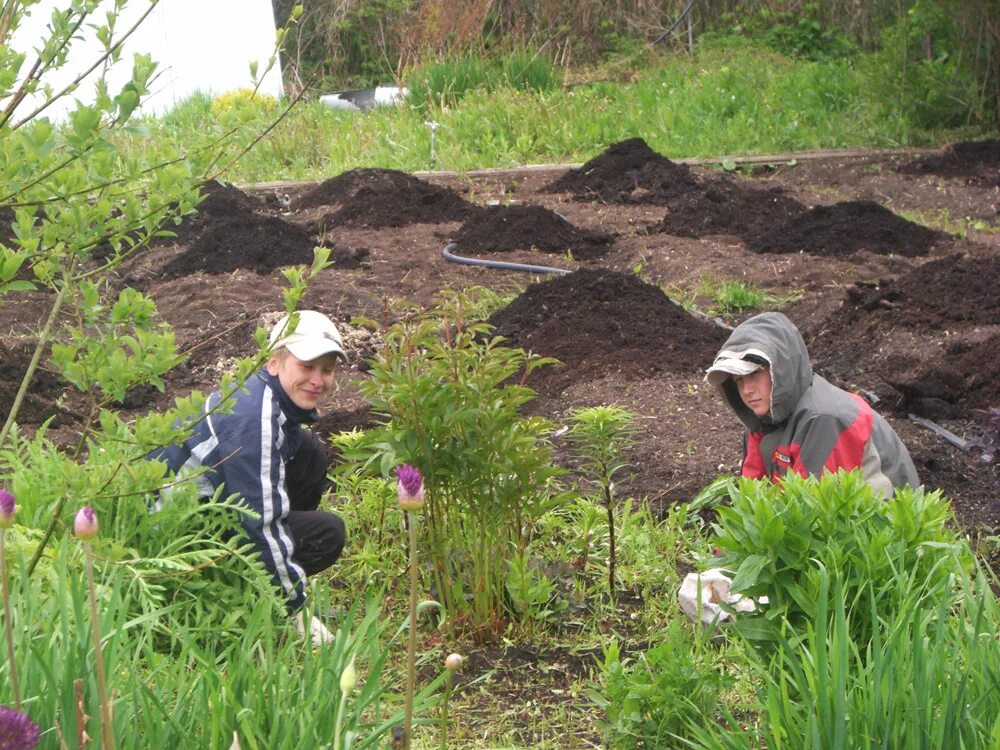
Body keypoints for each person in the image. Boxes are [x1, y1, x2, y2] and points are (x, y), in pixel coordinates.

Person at [150, 310, 347, 644]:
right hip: (171, 539)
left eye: (327, 370)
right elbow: (259, 521)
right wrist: (296, 608)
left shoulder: (267, 397)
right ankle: (259, 596)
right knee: (327, 533)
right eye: (306, 366)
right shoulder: (254, 423)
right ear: (274, 364)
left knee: (309, 452)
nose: (318, 379)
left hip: (204, 507)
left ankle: (272, 578)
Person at [705, 311, 919, 496]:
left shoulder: (825, 419)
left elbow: (811, 516)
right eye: (739, 380)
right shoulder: (764, 417)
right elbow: (752, 495)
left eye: (754, 374)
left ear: (780, 370)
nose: (746, 390)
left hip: (881, 531)